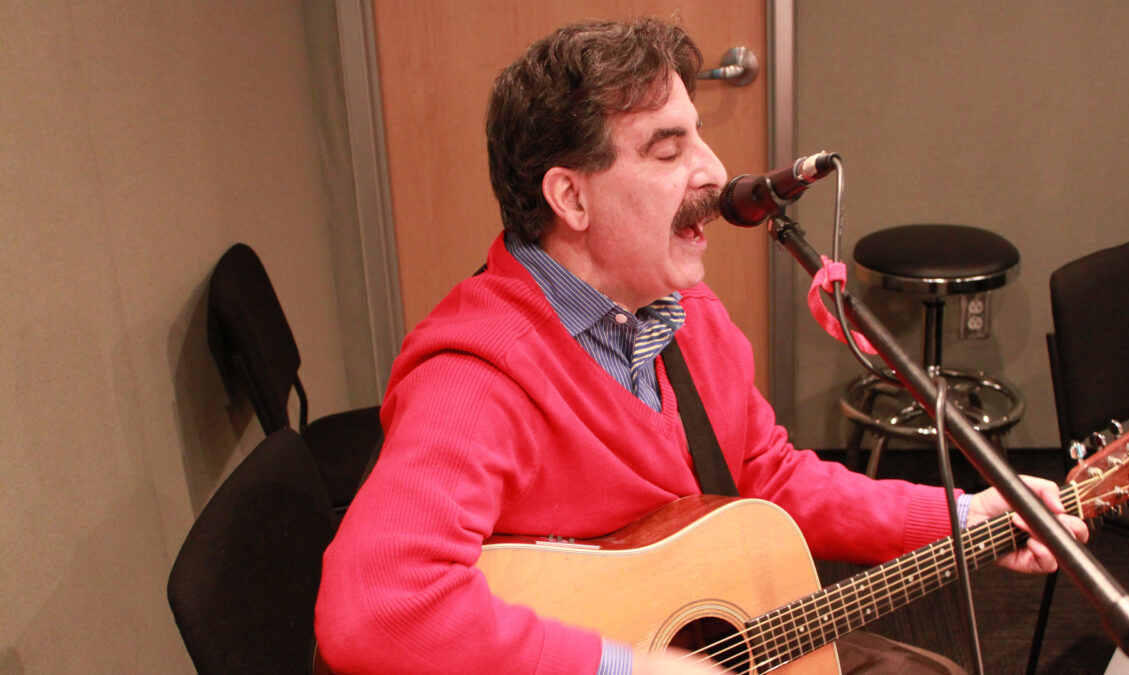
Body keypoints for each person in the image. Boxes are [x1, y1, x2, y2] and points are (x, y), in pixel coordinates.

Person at [314, 17, 1087, 675]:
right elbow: (375, 604)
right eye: (666, 148)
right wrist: (629, 667)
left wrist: (966, 514)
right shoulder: (477, 376)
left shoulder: (688, 317)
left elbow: (770, 475)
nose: (715, 172)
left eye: (701, 139)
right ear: (570, 196)